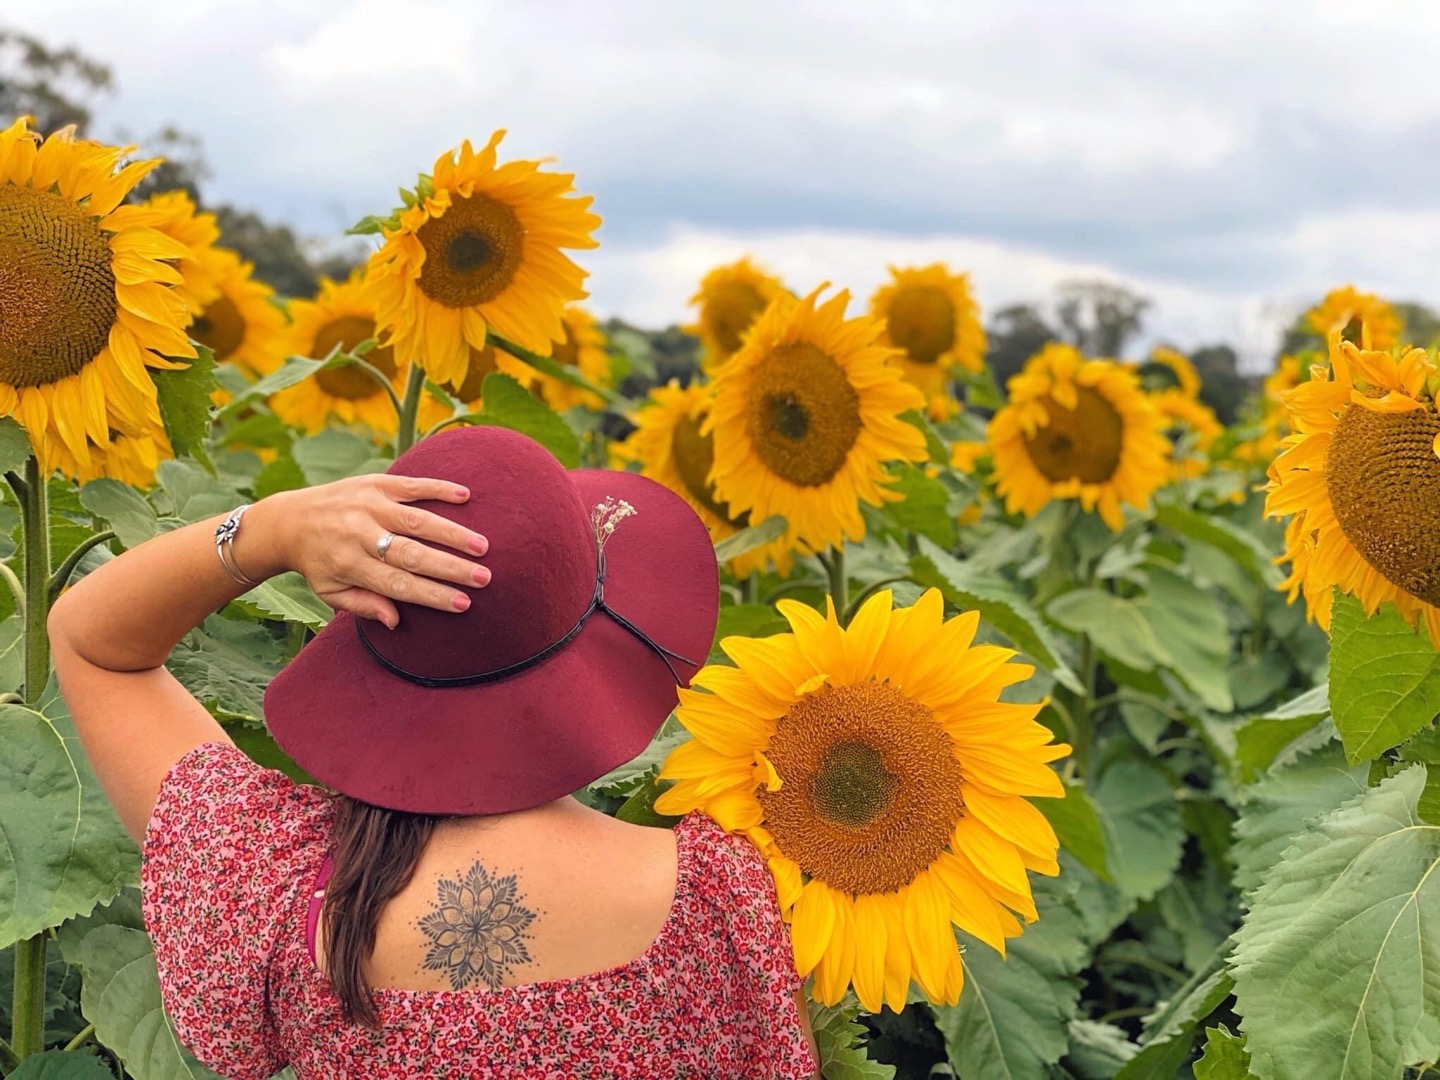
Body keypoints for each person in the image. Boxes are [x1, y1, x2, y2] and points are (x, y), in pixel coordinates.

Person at [50, 426, 820, 1079]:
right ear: (597, 640)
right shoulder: (722, 898)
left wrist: (277, 530)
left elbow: (93, 643)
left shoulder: (274, 890)